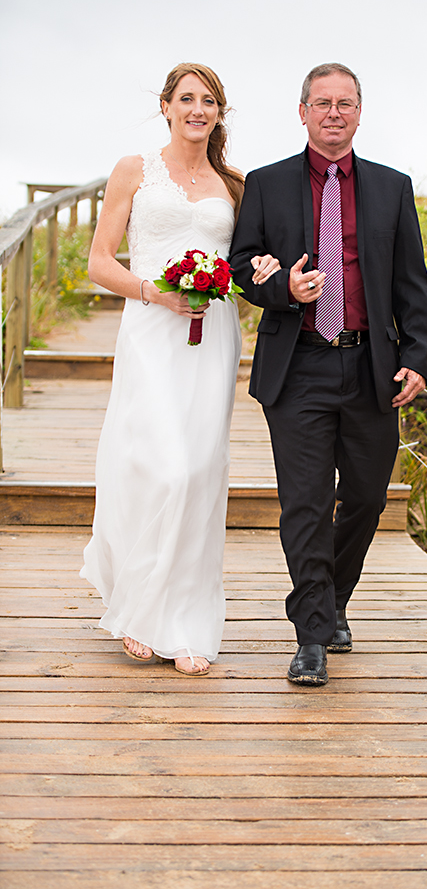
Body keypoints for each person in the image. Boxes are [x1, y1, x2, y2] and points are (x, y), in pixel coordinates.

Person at [230, 63, 427, 687]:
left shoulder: (392, 187)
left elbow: (411, 282)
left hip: (370, 363)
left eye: (345, 103)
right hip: (298, 367)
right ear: (303, 112)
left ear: (359, 111)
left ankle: (330, 598)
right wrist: (284, 289)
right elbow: (242, 266)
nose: (334, 113)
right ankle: (313, 634)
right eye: (323, 103)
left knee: (368, 497)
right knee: (306, 504)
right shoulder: (265, 184)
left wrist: (416, 356)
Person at [82, 64, 277, 675]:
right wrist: (152, 291)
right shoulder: (134, 170)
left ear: (220, 112)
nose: (198, 108)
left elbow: (246, 264)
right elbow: (97, 263)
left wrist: (265, 274)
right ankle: (138, 607)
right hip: (151, 328)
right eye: (187, 98)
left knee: (198, 471)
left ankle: (188, 621)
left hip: (212, 336)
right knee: (158, 465)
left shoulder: (235, 185)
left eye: (210, 100)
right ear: (166, 106)